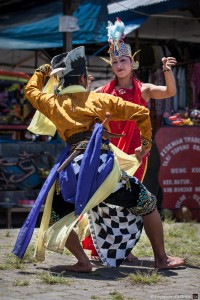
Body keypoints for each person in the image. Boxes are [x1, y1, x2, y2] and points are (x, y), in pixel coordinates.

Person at [12, 46, 185, 273]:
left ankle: (84, 262)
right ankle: (161, 259)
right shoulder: (99, 98)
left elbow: (31, 90)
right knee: (149, 204)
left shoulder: (53, 103)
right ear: (84, 78)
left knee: (54, 215)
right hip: (103, 169)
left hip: (72, 169)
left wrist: (43, 70)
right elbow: (142, 114)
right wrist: (144, 147)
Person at [83, 18, 177, 261]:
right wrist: (85, 89)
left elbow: (169, 92)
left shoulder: (143, 89)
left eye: (123, 60)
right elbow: (83, 108)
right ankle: (113, 247)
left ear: (132, 63)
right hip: (112, 154)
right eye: (114, 61)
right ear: (111, 66)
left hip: (136, 154)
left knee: (131, 201)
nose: (119, 64)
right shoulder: (103, 92)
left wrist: (167, 71)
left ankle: (125, 248)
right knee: (108, 200)